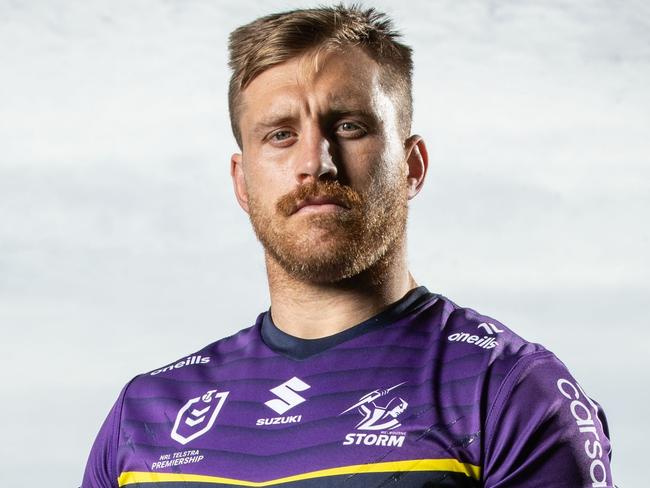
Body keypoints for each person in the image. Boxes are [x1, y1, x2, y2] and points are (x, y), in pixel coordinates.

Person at [82, 5, 615, 488]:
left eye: (350, 126)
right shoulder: (146, 418)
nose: (317, 161)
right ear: (242, 182)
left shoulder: (507, 392)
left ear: (411, 166)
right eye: (280, 135)